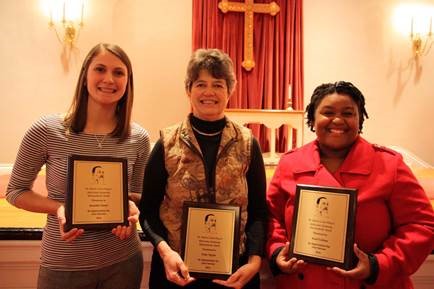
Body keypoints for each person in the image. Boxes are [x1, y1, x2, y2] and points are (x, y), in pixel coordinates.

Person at [6, 43, 150, 289]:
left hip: (123, 263)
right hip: (64, 264)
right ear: (85, 77)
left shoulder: (138, 138)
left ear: (128, 82)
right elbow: (15, 192)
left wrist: (130, 209)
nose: (108, 79)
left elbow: (137, 195)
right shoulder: (46, 130)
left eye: (118, 72)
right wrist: (61, 209)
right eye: (100, 69)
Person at [266, 81, 434, 289]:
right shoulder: (289, 163)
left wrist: (378, 264)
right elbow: (271, 218)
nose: (337, 120)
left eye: (348, 113)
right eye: (328, 112)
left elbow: (422, 225)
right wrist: (276, 251)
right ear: (312, 118)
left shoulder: (389, 164)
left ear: (359, 119)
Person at [139, 48, 267, 289]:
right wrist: (166, 253)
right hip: (176, 272)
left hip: (236, 273)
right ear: (188, 89)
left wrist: (254, 261)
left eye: (218, 84)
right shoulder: (166, 143)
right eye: (200, 84)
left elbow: (259, 210)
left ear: (230, 90)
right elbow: (148, 211)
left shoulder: (248, 143)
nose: (209, 92)